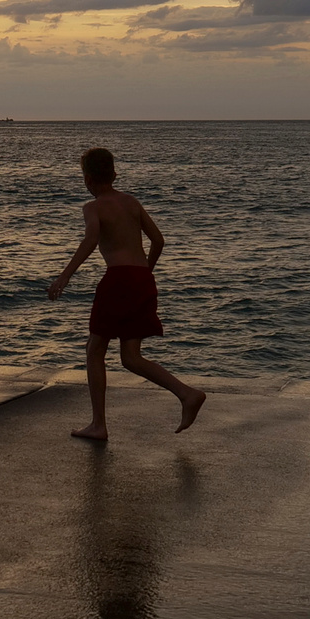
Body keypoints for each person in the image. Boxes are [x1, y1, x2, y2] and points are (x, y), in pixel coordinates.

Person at [45, 146, 205, 440]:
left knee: (94, 350)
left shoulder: (93, 207)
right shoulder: (131, 202)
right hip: (141, 278)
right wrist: (146, 271)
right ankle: (186, 393)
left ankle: (98, 425)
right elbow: (158, 240)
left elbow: (91, 240)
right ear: (114, 174)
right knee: (130, 357)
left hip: (118, 280)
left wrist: (64, 277)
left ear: (87, 179)